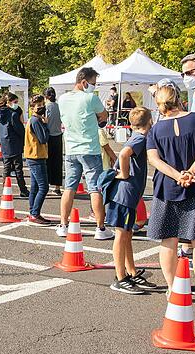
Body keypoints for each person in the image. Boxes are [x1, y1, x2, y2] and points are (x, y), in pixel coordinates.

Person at [146, 85, 195, 308]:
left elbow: (154, 159)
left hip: (168, 188)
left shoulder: (156, 130)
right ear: (179, 99)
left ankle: (172, 289)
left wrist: (177, 175)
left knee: (168, 239)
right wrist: (192, 172)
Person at [56, 67, 117, 240]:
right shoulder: (91, 98)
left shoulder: (63, 98)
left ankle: (63, 225)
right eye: (93, 84)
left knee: (69, 188)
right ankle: (100, 228)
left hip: (71, 149)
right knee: (95, 189)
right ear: (84, 82)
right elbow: (104, 115)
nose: (94, 87)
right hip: (90, 149)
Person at [106, 107, 157, 294]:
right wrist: (125, 173)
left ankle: (131, 272)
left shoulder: (138, 137)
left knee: (127, 233)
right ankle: (119, 277)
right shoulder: (140, 138)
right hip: (124, 195)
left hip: (130, 194)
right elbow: (124, 154)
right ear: (149, 121)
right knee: (121, 234)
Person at [24, 95, 53, 225]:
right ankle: (35, 213)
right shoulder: (36, 121)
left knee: (35, 187)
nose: (42, 107)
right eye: (39, 106)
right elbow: (43, 138)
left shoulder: (33, 120)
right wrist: (46, 126)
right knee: (43, 187)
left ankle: (33, 212)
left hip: (33, 156)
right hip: (36, 156)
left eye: (42, 105)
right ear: (32, 108)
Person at [0, 92, 29, 197]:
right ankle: (23, 189)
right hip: (14, 142)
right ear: (9, 102)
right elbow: (19, 129)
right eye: (15, 102)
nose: (16, 104)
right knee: (18, 168)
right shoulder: (13, 114)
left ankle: (5, 189)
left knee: (6, 167)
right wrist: (24, 138)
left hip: (4, 142)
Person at [43, 87, 64, 196]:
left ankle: (45, 186)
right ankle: (57, 187)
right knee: (57, 162)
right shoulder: (59, 106)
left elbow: (44, 122)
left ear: (45, 96)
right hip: (58, 136)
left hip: (48, 137)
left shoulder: (46, 107)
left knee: (46, 163)